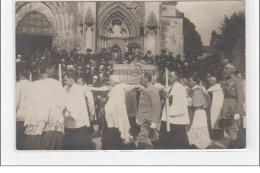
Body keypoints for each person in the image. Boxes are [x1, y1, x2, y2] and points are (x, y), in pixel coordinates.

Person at [24, 62, 66, 150]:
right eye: (53, 68)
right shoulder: (55, 83)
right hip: (52, 123)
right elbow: (62, 103)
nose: (54, 70)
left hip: (35, 123)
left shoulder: (32, 85)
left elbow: (27, 104)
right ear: (48, 70)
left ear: (39, 71)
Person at [103, 75, 143, 149]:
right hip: (112, 114)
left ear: (115, 81)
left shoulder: (121, 86)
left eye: (110, 80)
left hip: (118, 113)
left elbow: (132, 86)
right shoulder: (112, 88)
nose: (108, 82)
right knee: (113, 131)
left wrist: (140, 86)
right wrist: (87, 88)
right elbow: (100, 89)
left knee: (119, 129)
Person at [159, 71, 190, 149]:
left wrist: (170, 97)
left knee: (178, 142)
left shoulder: (180, 87)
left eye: (171, 76)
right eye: (168, 76)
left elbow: (182, 101)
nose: (168, 78)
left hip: (176, 120)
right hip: (168, 118)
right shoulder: (170, 87)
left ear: (176, 77)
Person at [63, 72, 93, 150]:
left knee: (81, 140)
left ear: (71, 79)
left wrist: (91, 112)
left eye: (66, 80)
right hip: (69, 118)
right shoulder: (65, 88)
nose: (65, 82)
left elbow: (90, 99)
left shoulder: (79, 88)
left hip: (79, 117)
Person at [222, 63, 245, 148]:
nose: (224, 70)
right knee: (231, 129)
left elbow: (241, 98)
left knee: (234, 129)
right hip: (227, 109)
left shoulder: (237, 81)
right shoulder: (226, 81)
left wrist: (238, 112)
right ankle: (240, 147)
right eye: (224, 68)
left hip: (234, 109)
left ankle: (232, 149)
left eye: (226, 68)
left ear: (232, 70)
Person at [136, 73, 161, 149]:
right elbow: (141, 106)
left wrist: (154, 121)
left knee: (142, 136)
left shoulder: (152, 89)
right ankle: (159, 151)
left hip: (148, 119)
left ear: (146, 79)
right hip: (144, 118)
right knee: (152, 136)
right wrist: (138, 117)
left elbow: (156, 106)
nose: (140, 80)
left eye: (141, 78)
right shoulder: (145, 89)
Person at [187, 76, 211, 149]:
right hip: (195, 111)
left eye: (190, 81)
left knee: (198, 127)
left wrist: (188, 102)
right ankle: (194, 144)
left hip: (198, 112)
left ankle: (200, 145)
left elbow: (196, 103)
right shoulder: (192, 90)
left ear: (195, 82)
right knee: (193, 128)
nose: (189, 82)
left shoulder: (198, 90)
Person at [16, 69, 31, 150]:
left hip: (20, 117)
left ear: (19, 74)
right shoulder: (32, 85)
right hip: (30, 118)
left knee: (20, 144)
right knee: (27, 143)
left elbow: (15, 101)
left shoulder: (18, 85)